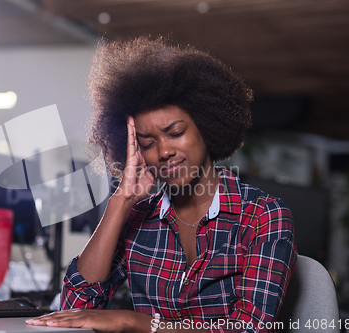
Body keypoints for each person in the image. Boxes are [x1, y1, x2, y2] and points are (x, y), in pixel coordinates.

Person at [26, 36, 297, 333]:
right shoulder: (138, 219)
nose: (164, 151)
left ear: (206, 127)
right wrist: (122, 200)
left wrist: (137, 322)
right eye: (148, 142)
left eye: (175, 132)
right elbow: (75, 308)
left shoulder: (262, 215)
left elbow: (251, 328)